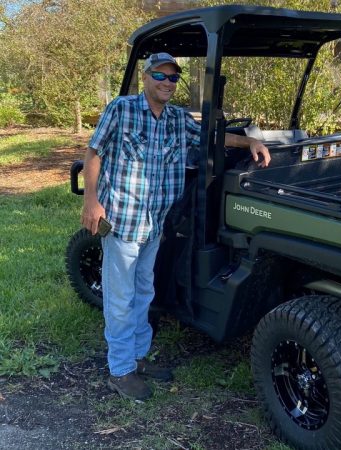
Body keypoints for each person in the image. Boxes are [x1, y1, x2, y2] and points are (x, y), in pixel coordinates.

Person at [80, 52, 271, 401]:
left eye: (173, 77)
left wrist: (251, 142)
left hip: (154, 225)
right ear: (146, 77)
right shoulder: (121, 110)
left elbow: (213, 138)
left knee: (144, 293)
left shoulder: (177, 119)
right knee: (120, 299)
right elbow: (94, 153)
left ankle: (137, 358)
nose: (167, 83)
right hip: (122, 221)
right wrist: (91, 201)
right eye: (160, 76)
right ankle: (120, 371)